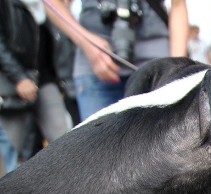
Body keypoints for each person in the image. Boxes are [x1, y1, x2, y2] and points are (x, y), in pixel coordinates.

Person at [45, 0, 188, 120]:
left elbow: (178, 5)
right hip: (94, 67)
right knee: (99, 151)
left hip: (157, 70)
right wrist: (85, 42)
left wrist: (175, 71)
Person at [0, 0, 71, 161]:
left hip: (45, 78)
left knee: (63, 139)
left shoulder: (47, 5)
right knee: (11, 152)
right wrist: (19, 77)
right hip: (12, 84)